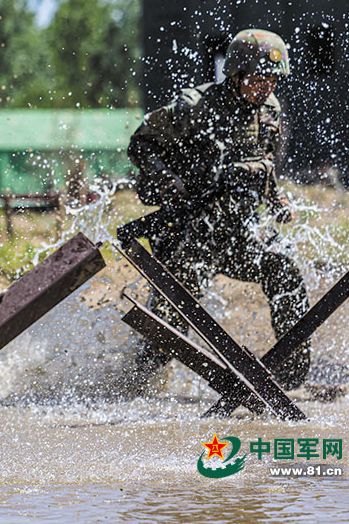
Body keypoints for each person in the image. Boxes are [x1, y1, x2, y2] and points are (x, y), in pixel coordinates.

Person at [124, 29, 310, 394]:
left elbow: (263, 165)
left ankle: (291, 379)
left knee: (283, 268)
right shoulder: (194, 107)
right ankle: (135, 386)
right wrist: (167, 180)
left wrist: (277, 201)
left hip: (238, 232)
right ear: (237, 74)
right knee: (177, 308)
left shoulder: (269, 111)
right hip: (187, 232)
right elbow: (140, 145)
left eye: (273, 79)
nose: (266, 87)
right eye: (259, 79)